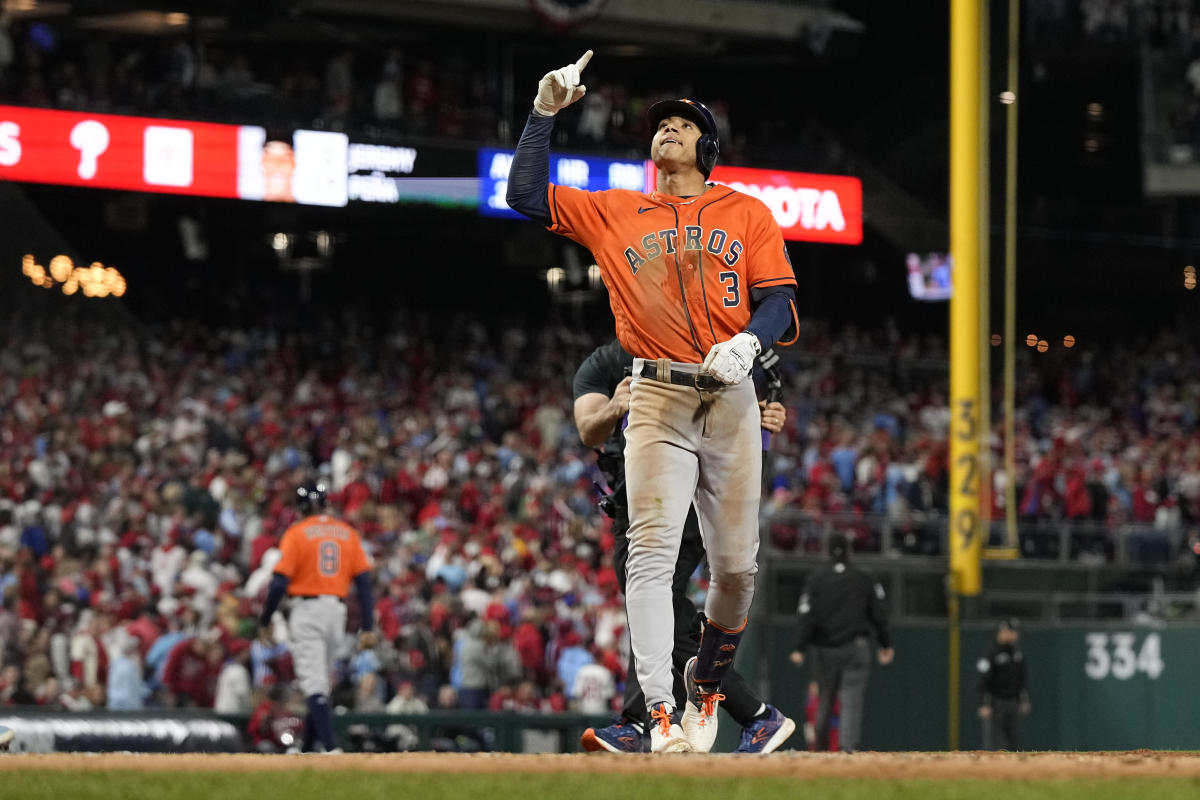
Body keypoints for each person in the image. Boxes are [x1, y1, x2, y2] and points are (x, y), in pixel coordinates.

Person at [508, 50, 798, 754]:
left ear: (709, 148)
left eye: (684, 125)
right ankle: (658, 716)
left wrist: (751, 347)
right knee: (650, 555)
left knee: (735, 569)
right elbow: (524, 195)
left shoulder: (746, 211)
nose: (669, 130)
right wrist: (543, 115)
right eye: (661, 124)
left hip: (729, 396)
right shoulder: (616, 211)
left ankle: (707, 686)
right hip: (658, 398)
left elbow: (781, 303)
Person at [574, 338, 796, 753]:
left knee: (656, 594)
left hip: (692, 493)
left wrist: (764, 416)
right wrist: (615, 407)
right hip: (633, 496)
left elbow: (757, 396)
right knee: (658, 602)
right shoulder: (605, 362)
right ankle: (756, 715)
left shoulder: (698, 344)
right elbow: (588, 429)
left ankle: (638, 722)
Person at [258, 481, 376, 754]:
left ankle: (331, 748)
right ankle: (308, 747)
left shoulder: (297, 533)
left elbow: (278, 584)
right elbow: (364, 583)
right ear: (326, 504)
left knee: (314, 683)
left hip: (307, 610)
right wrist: (368, 625)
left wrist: (265, 619)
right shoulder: (347, 533)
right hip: (337, 611)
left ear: (300, 509)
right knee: (321, 681)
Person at [788, 533, 894, 753]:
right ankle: (847, 748)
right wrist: (885, 644)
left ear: (828, 550)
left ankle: (821, 750)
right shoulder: (864, 577)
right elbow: (879, 613)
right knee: (851, 699)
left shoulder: (817, 578)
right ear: (849, 550)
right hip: (855, 647)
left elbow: (807, 614)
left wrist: (800, 646)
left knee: (825, 698)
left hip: (824, 649)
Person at [978, 618, 1030, 751]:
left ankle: (1015, 769)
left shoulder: (1018, 654)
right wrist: (983, 704)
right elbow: (984, 681)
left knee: (1014, 737)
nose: (1009, 635)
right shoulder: (992, 654)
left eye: (1012, 632)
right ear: (1000, 633)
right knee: (997, 739)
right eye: (1006, 632)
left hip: (1013, 701)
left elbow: (1022, 680)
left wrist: (1023, 700)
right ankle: (996, 769)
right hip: (997, 701)